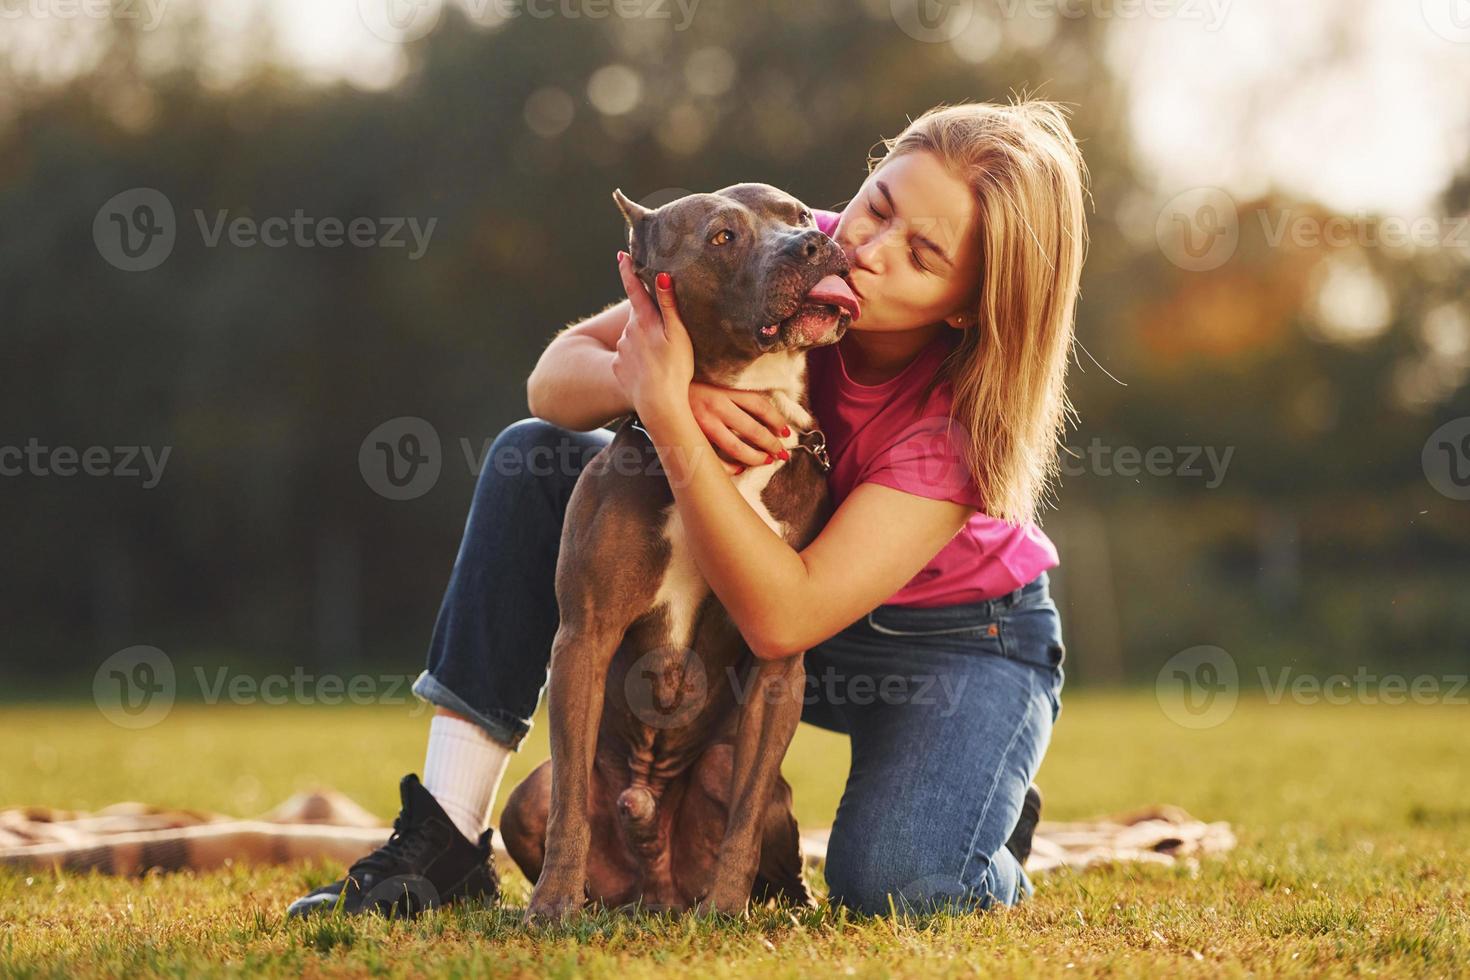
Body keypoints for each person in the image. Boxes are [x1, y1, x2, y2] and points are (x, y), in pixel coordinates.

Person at [287, 97, 1088, 919]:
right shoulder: (793, 244)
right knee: (533, 456)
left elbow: (786, 621)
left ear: (966, 301)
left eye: (922, 254)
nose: (869, 250)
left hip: (950, 642)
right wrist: (675, 391)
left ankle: (984, 818)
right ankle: (448, 835)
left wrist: (669, 420)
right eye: (877, 205)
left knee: (900, 880)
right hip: (758, 601)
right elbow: (557, 375)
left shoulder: (961, 421)